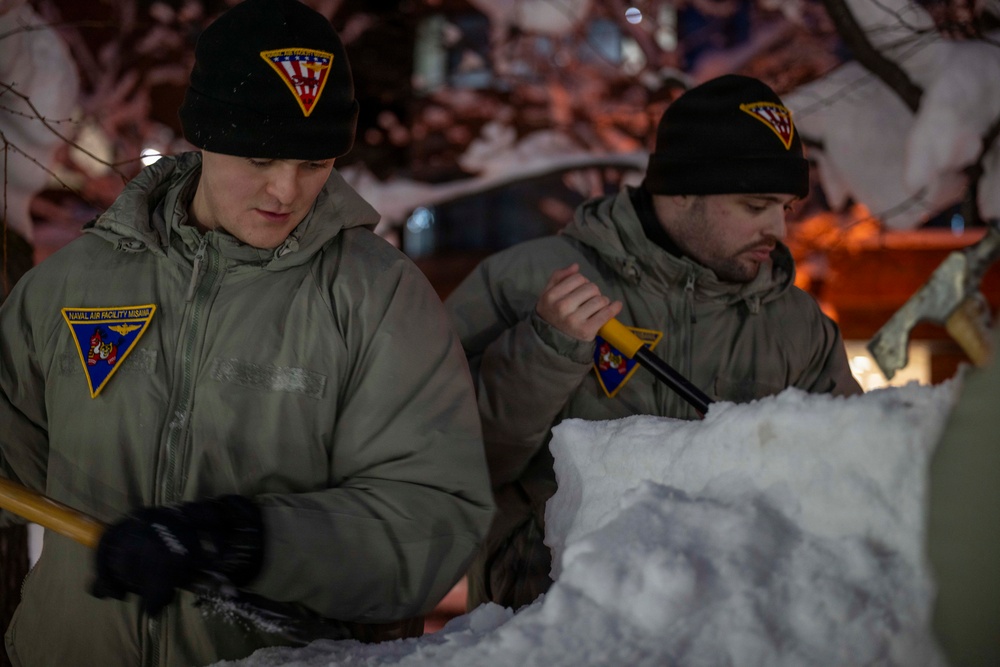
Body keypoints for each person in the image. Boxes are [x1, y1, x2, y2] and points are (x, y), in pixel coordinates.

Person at [0, 1, 494, 665]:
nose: (287, 189)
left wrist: (241, 539)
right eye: (260, 158)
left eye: (315, 163)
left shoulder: (378, 300)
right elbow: (13, 457)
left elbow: (430, 519)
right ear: (204, 136)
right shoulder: (74, 284)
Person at [445, 74, 864, 611]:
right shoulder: (524, 281)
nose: (778, 230)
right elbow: (446, 466)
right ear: (681, 188)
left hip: (735, 627)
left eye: (786, 207)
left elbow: (845, 490)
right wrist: (544, 355)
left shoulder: (797, 324)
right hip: (546, 626)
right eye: (755, 205)